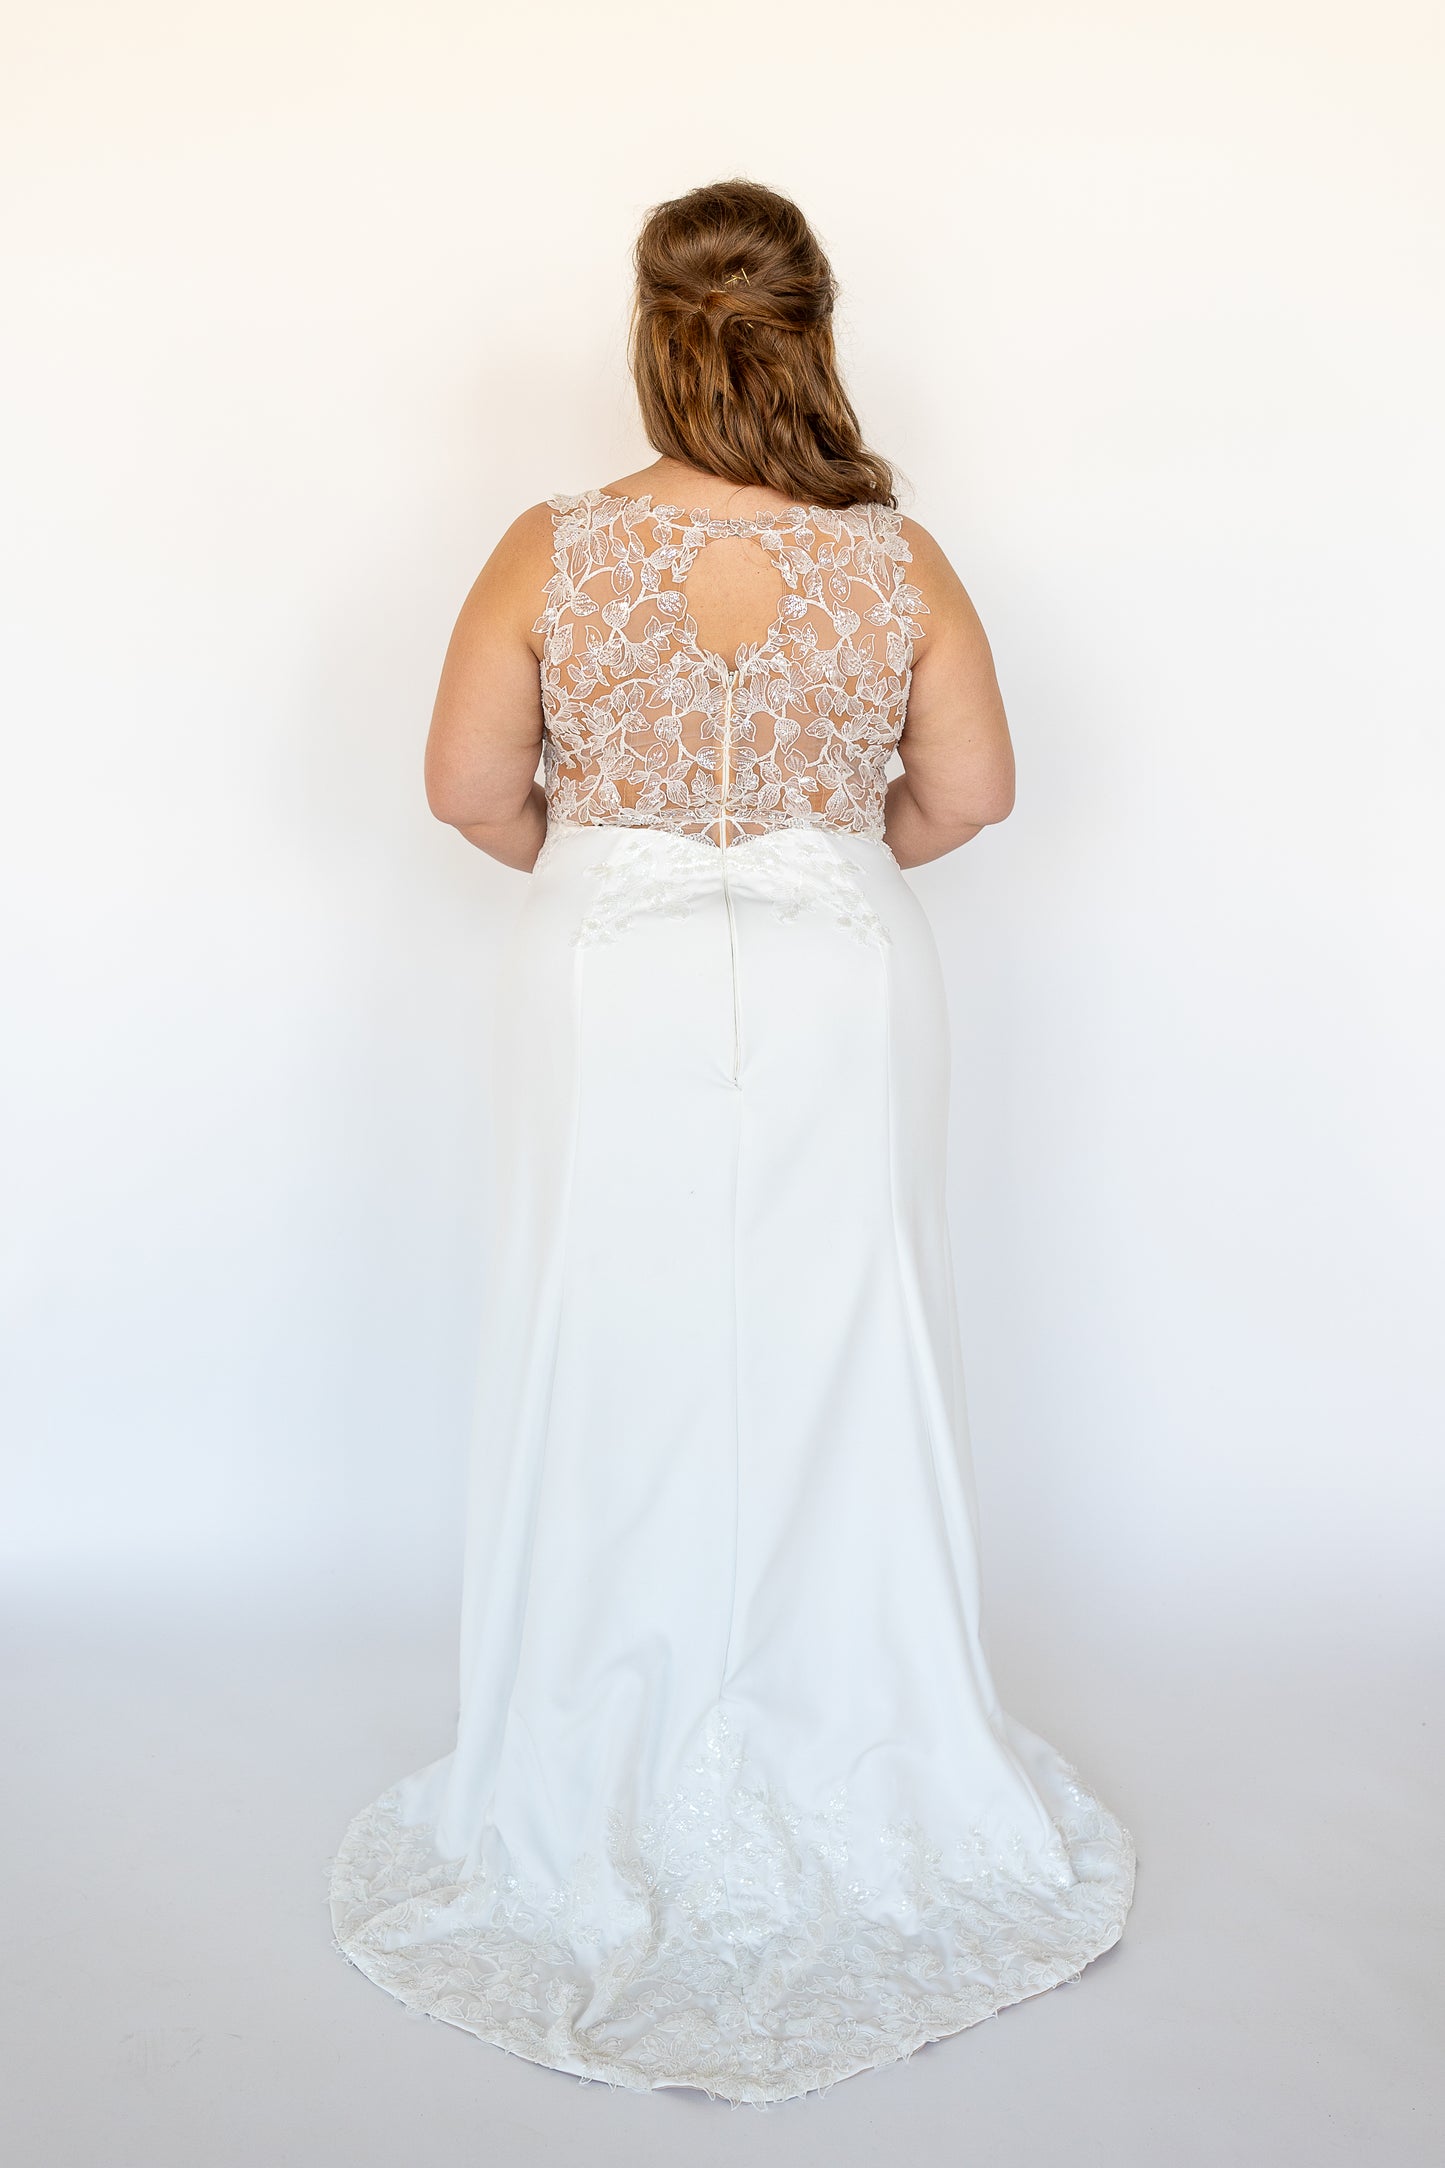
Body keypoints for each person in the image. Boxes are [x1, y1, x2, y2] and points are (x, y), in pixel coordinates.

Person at [327, 176, 1135, 2108]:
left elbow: (463, 791)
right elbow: (971, 795)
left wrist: (611, 873)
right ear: (812, 326)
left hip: (603, 973)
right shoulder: (895, 561)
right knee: (848, 1343)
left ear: (649, 330)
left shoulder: (551, 548)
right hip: (842, 972)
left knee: (599, 1342)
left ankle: (587, 1755)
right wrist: (819, 866)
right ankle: (862, 1737)